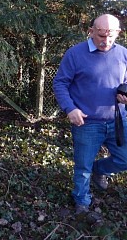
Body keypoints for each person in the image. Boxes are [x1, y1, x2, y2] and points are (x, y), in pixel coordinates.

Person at [53, 14, 127, 217]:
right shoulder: (76, 54)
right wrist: (70, 108)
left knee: (124, 158)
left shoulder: (123, 54)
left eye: (111, 35)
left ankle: (100, 170)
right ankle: (82, 203)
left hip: (118, 120)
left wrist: (125, 94)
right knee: (82, 166)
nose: (106, 41)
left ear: (118, 33)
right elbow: (60, 83)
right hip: (86, 121)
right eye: (101, 35)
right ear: (91, 31)